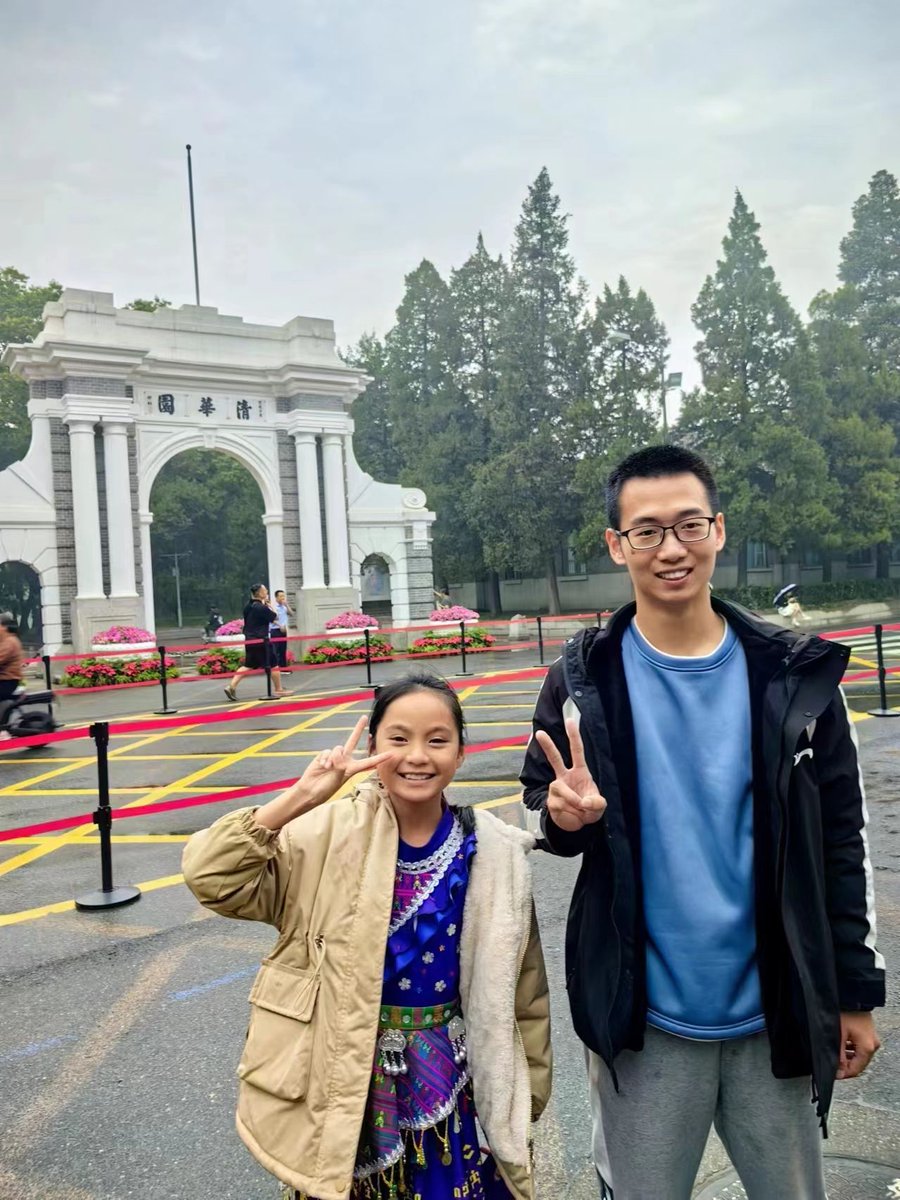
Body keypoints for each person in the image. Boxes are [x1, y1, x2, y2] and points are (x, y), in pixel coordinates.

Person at [520, 444, 884, 1200]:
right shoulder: (585, 678)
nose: (672, 548)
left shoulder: (793, 676)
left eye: (689, 525)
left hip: (774, 1010)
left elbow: (841, 844)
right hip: (643, 1023)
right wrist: (565, 820)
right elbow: (550, 811)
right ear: (617, 546)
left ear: (718, 530)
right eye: (647, 531)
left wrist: (854, 992)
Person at [183, 672, 551, 1199]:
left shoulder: (493, 851)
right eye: (398, 739)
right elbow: (211, 878)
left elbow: (525, 991)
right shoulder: (323, 834)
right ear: (373, 745)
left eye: (437, 739)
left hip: (456, 1084)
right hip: (342, 1081)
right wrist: (301, 797)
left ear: (462, 753)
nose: (417, 756)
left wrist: (524, 1096)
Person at [224, 584, 290, 701]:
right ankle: (279, 689)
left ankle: (231, 686)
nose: (267, 592)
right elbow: (275, 617)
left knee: (248, 665)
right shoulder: (261, 607)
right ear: (259, 593)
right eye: (265, 591)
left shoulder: (248, 607)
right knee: (273, 664)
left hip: (249, 639)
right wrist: (270, 606)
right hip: (261, 640)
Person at [0, 614, 25, 742]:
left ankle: (2, 730)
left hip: (7, 681)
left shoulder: (9, 642)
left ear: (3, 627)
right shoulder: (6, 641)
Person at [269, 588, 293, 669]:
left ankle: (284, 667)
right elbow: (272, 619)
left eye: (283, 596)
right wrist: (280, 626)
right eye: (281, 596)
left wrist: (287, 605)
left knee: (283, 650)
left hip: (283, 631)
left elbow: (291, 614)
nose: (283, 597)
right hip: (275, 630)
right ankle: (276, 668)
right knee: (276, 650)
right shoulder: (273, 607)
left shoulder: (284, 607)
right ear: (276, 598)